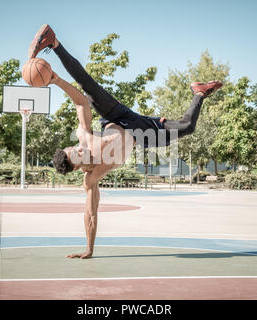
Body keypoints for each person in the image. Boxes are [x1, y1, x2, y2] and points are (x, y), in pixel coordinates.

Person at [28, 24, 222, 259]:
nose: (78, 149)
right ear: (76, 166)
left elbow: (80, 103)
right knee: (187, 127)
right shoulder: (91, 178)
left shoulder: (85, 137)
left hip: (115, 116)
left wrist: (57, 81)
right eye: (75, 154)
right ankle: (199, 92)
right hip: (140, 133)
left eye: (73, 148)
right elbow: (90, 213)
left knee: (87, 85)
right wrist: (89, 249)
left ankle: (53, 42)